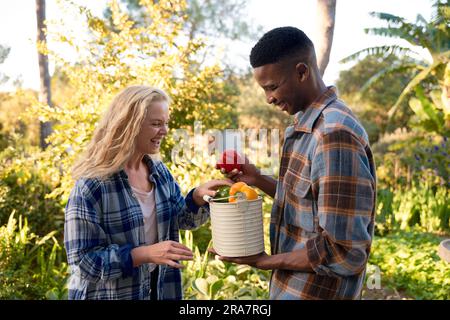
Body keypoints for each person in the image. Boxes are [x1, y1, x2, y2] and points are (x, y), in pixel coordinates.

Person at [215, 27, 377, 300]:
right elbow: (309, 206)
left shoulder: (334, 134)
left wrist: (265, 261)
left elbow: (345, 251)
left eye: (272, 87)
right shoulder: (306, 127)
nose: (269, 98)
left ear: (302, 72)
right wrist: (256, 179)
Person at [64, 85, 231, 300]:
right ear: (129, 126)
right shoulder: (93, 185)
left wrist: (197, 197)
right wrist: (143, 255)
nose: (165, 130)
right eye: (156, 124)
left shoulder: (158, 172)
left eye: (165, 124)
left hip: (158, 290)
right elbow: (83, 263)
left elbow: (181, 220)